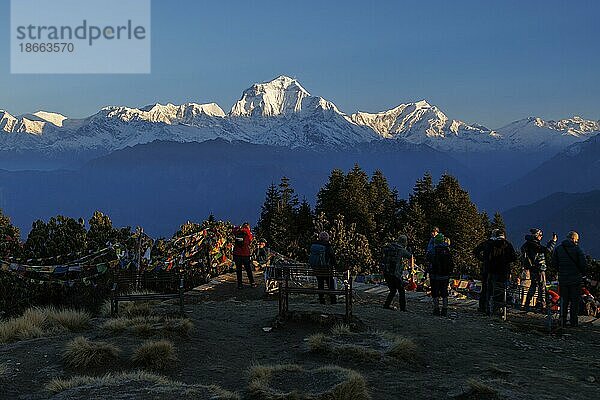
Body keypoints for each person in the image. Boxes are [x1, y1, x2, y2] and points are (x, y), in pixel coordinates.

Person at [552, 231, 587, 327]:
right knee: (574, 301)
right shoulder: (578, 249)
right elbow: (583, 264)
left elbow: (554, 263)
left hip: (563, 278)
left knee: (564, 300)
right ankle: (573, 322)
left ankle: (562, 320)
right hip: (575, 279)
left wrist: (560, 270)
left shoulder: (558, 249)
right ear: (574, 239)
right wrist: (582, 274)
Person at [521, 228, 557, 311]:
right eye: (540, 235)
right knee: (542, 286)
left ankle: (527, 304)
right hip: (539, 268)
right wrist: (553, 242)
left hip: (532, 268)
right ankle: (542, 305)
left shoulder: (528, 243)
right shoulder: (534, 244)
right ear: (536, 235)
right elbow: (547, 250)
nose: (541, 237)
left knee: (533, 286)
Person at [483, 230, 517, 315]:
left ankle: (488, 309)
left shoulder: (491, 245)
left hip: (492, 271)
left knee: (490, 290)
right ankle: (499, 309)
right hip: (504, 271)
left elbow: (486, 257)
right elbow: (514, 257)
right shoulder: (508, 245)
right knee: (502, 291)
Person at [381, 234, 413, 311]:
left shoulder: (389, 247)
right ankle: (403, 308)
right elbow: (409, 256)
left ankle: (386, 304)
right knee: (401, 290)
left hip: (386, 271)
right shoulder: (401, 250)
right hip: (395, 273)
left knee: (393, 290)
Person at [427, 233, 454, 316]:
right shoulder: (447, 250)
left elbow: (428, 258)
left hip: (435, 275)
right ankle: (444, 309)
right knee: (444, 292)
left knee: (435, 293)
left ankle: (436, 309)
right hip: (445, 275)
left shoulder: (433, 250)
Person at [309, 231, 337, 304]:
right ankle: (333, 300)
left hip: (317, 269)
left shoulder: (314, 245)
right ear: (327, 238)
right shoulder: (327, 246)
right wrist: (335, 266)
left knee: (320, 284)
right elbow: (333, 258)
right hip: (327, 270)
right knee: (331, 285)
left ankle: (322, 300)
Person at [473, 230, 496, 313]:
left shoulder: (486, 243)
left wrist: (483, 259)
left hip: (485, 268)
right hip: (495, 269)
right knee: (493, 288)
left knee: (485, 288)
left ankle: (482, 306)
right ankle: (491, 307)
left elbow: (475, 251)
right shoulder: (497, 245)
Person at [232, 222, 256, 289]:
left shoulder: (237, 232)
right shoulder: (248, 234)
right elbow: (250, 240)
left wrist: (239, 228)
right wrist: (246, 229)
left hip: (237, 253)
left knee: (238, 270)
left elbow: (233, 230)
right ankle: (252, 283)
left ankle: (240, 284)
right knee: (248, 269)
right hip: (245, 254)